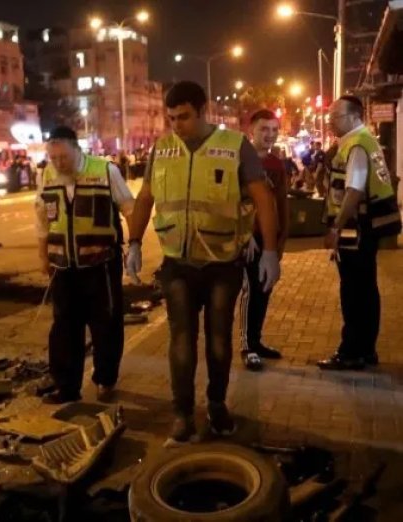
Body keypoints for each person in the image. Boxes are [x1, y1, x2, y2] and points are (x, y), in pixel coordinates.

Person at [126, 81, 281, 446]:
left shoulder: (234, 147)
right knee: (181, 339)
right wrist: (132, 242)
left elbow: (263, 198)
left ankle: (216, 405)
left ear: (203, 110)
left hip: (223, 263)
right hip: (178, 263)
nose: (176, 125)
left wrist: (271, 251)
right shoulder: (162, 150)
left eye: (184, 117)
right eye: (171, 118)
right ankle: (182, 415)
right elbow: (146, 197)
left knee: (218, 341)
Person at [35, 125, 135, 404]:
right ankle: (67, 387)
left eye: (63, 157)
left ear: (77, 151)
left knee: (106, 323)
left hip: (100, 264)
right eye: (53, 158)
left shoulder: (105, 171)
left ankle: (105, 379)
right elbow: (42, 218)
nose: (58, 163)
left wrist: (135, 244)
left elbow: (129, 207)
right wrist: (43, 256)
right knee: (64, 327)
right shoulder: (47, 175)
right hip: (63, 267)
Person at [317, 96, 401, 370]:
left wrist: (335, 227)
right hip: (366, 227)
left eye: (335, 117)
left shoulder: (356, 145)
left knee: (354, 292)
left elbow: (353, 191)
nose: (330, 122)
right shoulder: (366, 141)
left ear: (354, 117)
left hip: (357, 229)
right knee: (366, 289)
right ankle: (366, 349)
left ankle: (352, 350)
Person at [240, 110, 290, 371]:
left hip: (269, 241)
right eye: (264, 129)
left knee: (264, 290)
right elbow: (232, 201)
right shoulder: (239, 161)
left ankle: (257, 341)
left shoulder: (277, 164)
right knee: (250, 291)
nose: (270, 134)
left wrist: (282, 237)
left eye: (274, 129)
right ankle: (247, 346)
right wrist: (245, 234)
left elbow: (282, 202)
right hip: (249, 240)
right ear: (252, 131)